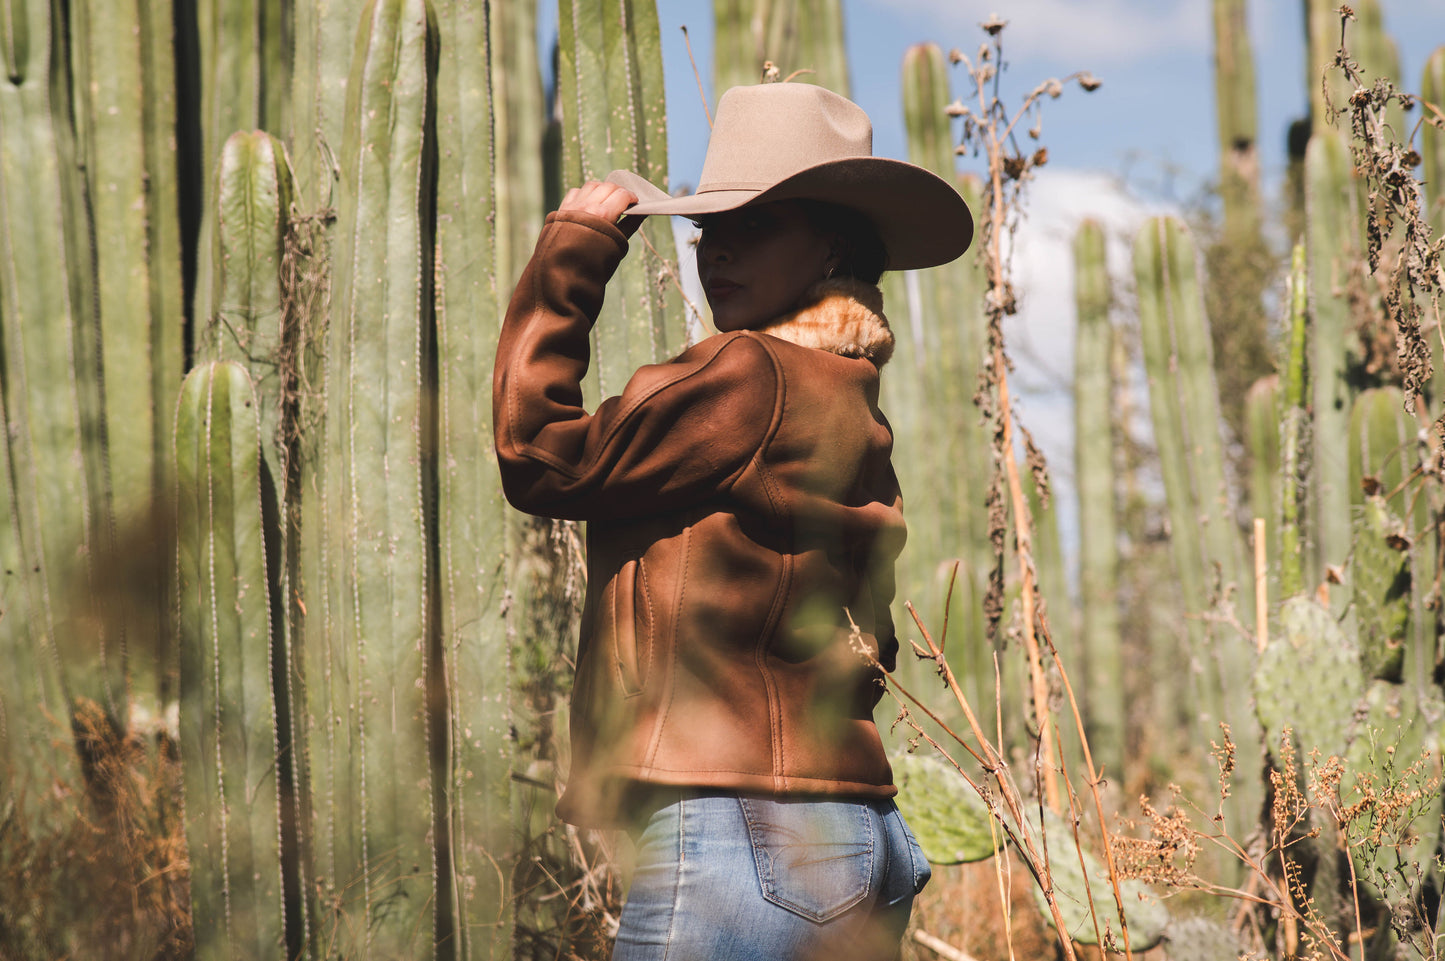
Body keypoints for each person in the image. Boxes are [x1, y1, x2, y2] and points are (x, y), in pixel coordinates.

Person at [493, 82, 973, 961]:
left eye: (756, 225)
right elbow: (870, 639)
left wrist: (572, 255)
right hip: (860, 836)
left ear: (828, 244)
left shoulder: (748, 372)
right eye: (711, 226)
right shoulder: (849, 402)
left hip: (742, 836)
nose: (718, 250)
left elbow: (538, 452)